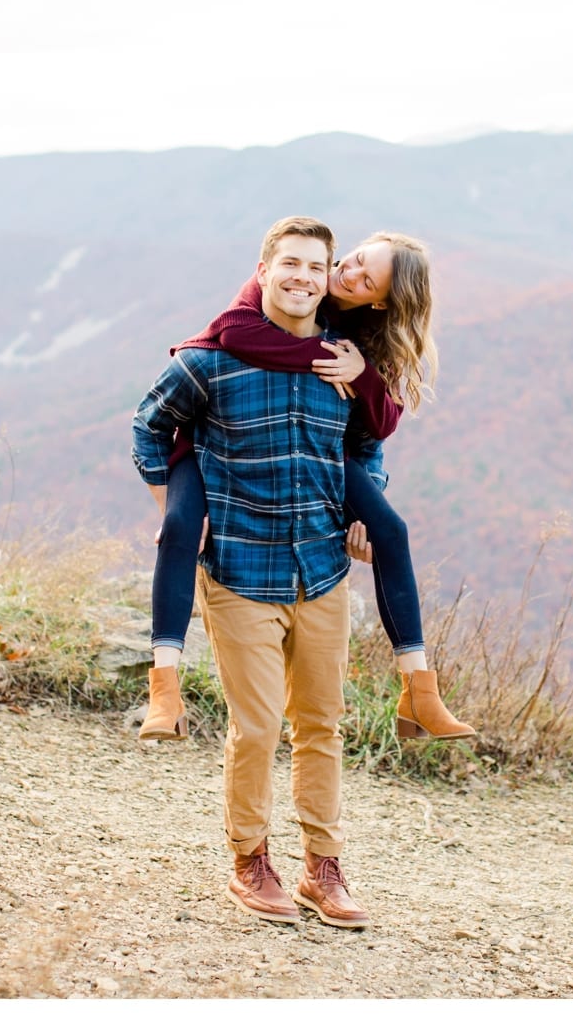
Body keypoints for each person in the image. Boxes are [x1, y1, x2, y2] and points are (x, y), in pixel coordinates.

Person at [137, 231, 475, 745]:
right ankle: (163, 690)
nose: (349, 274)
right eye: (357, 259)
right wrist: (324, 356)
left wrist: (363, 381)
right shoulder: (288, 287)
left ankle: (420, 692)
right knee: (182, 526)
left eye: (367, 279)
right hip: (207, 442)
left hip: (316, 449)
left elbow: (375, 430)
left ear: (379, 300)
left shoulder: (359, 337)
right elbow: (236, 338)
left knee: (390, 529)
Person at [131, 216, 376, 926]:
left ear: (327, 277)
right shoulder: (210, 362)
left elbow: (366, 448)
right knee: (259, 726)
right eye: (289, 264)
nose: (302, 278)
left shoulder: (340, 360)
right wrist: (174, 504)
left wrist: (368, 509)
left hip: (323, 570)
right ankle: (250, 859)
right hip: (239, 569)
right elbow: (148, 422)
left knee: (323, 724)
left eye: (314, 267)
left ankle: (323, 870)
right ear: (264, 270)